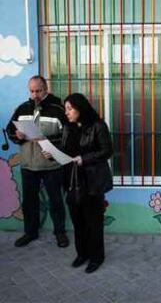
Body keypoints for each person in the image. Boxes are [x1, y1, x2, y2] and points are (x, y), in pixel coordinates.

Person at [6, 75, 69, 248]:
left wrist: (47, 140)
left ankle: (60, 233)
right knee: (29, 202)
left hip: (52, 165)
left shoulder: (58, 108)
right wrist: (17, 135)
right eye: (32, 91)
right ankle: (30, 233)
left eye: (38, 91)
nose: (34, 95)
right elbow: (11, 129)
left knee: (56, 201)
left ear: (45, 89)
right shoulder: (22, 108)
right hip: (28, 165)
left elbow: (68, 136)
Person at [56, 93, 112, 273]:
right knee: (77, 221)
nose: (67, 113)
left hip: (91, 181)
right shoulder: (67, 127)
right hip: (71, 180)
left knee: (93, 222)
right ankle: (82, 254)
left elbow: (107, 151)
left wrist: (84, 159)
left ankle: (96, 257)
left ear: (81, 108)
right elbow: (65, 150)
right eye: (66, 109)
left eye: (70, 109)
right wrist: (53, 154)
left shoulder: (98, 126)